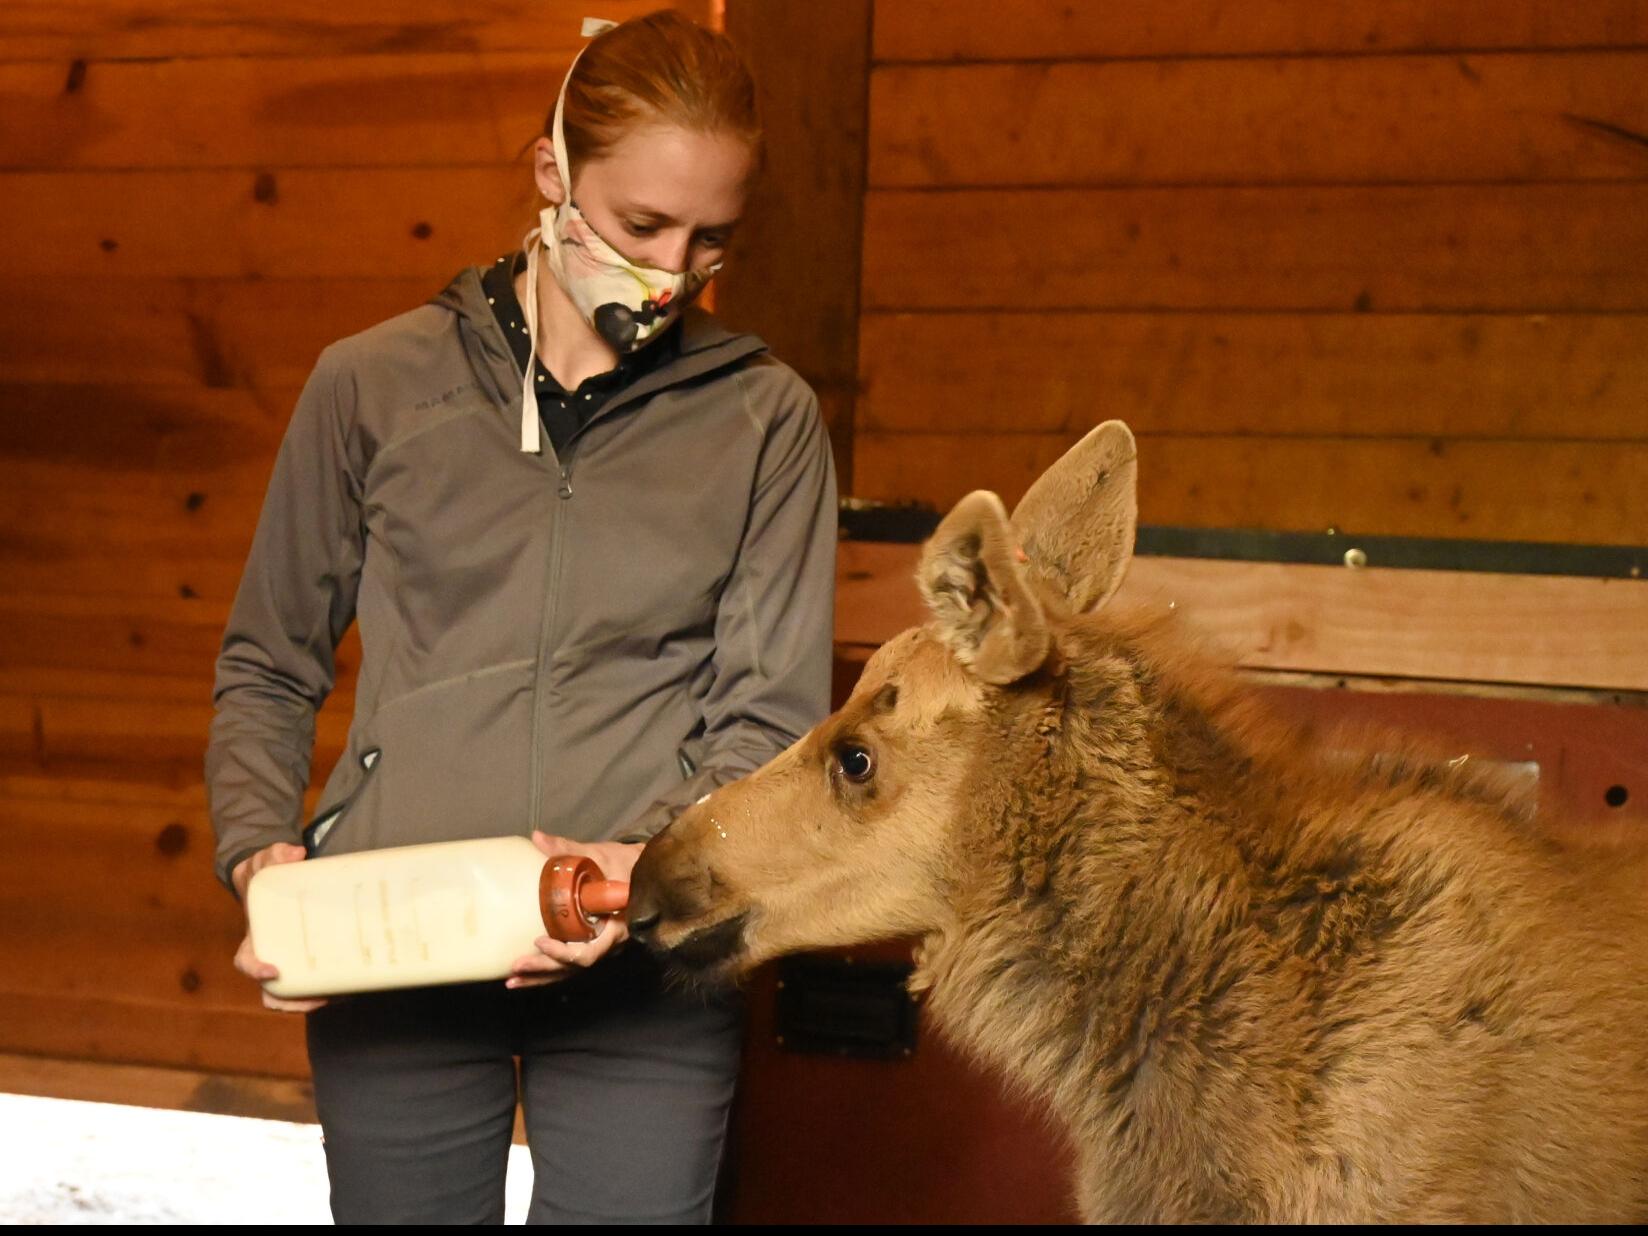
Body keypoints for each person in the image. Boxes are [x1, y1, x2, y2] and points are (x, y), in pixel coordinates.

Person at [205, 10, 837, 1223]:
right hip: (395, 938)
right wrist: (258, 853)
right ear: (552, 173)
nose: (671, 266)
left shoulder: (764, 418)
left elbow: (766, 719)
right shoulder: (372, 384)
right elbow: (268, 663)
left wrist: (639, 868)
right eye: (641, 224)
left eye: (711, 238)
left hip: (649, 956)